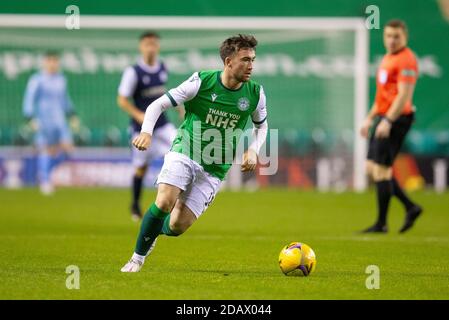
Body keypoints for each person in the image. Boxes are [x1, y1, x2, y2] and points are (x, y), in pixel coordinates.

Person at [121, 34, 268, 272]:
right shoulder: (202, 81)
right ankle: (137, 258)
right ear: (228, 62)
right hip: (185, 150)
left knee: (178, 226)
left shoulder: (255, 93)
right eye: (245, 60)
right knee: (165, 201)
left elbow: (262, 126)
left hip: (216, 167)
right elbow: (157, 104)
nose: (251, 65)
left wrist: (253, 150)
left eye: (252, 59)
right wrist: (146, 132)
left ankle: (154, 229)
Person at [360, 19, 422, 233]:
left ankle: (382, 224)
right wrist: (370, 118)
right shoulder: (387, 59)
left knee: (382, 170)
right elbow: (382, 96)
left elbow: (404, 95)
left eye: (396, 36)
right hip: (383, 117)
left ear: (405, 37)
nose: (392, 40)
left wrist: (387, 121)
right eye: (388, 36)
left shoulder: (407, 60)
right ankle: (411, 207)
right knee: (371, 169)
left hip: (396, 119)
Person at [118, 31, 182, 221]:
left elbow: (163, 94)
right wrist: (138, 114)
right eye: (147, 44)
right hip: (141, 129)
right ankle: (135, 204)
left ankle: (176, 200)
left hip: (162, 125)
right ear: (141, 47)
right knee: (140, 168)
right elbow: (122, 99)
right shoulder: (133, 72)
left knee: (181, 149)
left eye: (154, 44)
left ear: (158, 47)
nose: (151, 47)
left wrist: (178, 107)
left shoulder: (163, 68)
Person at [23, 50, 79, 195]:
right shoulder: (37, 79)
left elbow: (65, 98)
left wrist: (72, 114)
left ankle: (46, 172)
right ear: (44, 62)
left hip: (60, 120)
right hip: (43, 120)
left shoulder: (61, 79)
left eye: (55, 61)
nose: (53, 64)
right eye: (50, 61)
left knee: (68, 149)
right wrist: (30, 117)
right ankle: (45, 181)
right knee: (46, 149)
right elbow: (29, 99)